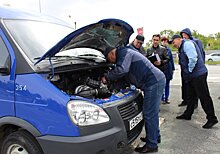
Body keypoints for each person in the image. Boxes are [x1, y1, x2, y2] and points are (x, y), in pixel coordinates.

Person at [101, 46, 165, 153]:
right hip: (154, 81)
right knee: (152, 112)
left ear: (112, 53)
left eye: (108, 59)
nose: (109, 62)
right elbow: (125, 77)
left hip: (153, 82)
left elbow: (122, 70)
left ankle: (152, 145)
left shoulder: (124, 52)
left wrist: (107, 77)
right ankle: (154, 136)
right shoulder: (124, 56)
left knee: (149, 113)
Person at [169, 34, 218, 129]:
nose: (173, 45)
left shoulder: (187, 44)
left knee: (204, 96)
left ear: (179, 39)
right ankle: (188, 114)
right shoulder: (182, 46)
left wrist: (189, 71)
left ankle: (212, 118)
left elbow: (193, 58)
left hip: (198, 75)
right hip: (193, 76)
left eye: (174, 42)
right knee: (190, 96)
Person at [178, 28, 205, 108]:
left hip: (194, 70)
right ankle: (186, 101)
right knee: (186, 86)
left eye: (185, 34)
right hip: (185, 69)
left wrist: (191, 69)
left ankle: (195, 103)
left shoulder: (194, 42)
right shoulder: (183, 43)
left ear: (188, 34)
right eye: (182, 35)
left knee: (197, 89)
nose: (184, 36)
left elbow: (199, 54)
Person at [161, 36, 175, 104]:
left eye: (166, 41)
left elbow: (171, 60)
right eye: (163, 41)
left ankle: (166, 98)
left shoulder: (169, 50)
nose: (164, 42)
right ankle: (162, 98)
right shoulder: (159, 49)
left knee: (167, 84)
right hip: (162, 69)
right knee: (161, 85)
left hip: (168, 69)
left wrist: (173, 69)